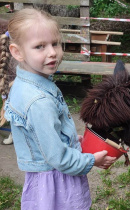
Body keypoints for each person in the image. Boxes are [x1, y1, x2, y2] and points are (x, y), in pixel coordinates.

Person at [1, 8, 116, 209]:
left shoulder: (28, 82)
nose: (52, 52)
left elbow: (44, 137)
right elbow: (57, 158)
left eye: (55, 43)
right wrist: (90, 160)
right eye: (40, 46)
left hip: (45, 180)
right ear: (17, 52)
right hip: (57, 184)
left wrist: (72, 141)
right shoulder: (38, 101)